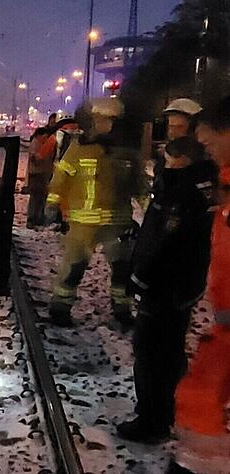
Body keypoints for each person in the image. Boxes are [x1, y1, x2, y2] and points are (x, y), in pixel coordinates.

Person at [115, 136, 218, 444]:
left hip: (163, 287)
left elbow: (162, 242)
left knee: (151, 353)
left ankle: (151, 421)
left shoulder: (179, 192)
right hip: (182, 287)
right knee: (169, 351)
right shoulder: (204, 189)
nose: (166, 165)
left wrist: (139, 278)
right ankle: (165, 411)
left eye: (171, 160)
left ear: (183, 161)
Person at [168, 97, 230, 473]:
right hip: (223, 331)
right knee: (198, 400)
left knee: (201, 400)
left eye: (209, 140)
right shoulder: (224, 186)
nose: (205, 147)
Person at [45, 98, 146, 327]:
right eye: (99, 120)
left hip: (117, 222)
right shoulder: (77, 148)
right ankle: (60, 308)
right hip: (83, 224)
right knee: (73, 268)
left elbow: (139, 186)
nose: (102, 124)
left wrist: (150, 210)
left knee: (121, 270)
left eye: (107, 120)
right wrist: (52, 203)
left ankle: (122, 309)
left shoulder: (127, 153)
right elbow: (61, 178)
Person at [26, 127, 50, 228]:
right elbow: (34, 159)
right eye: (44, 137)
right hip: (36, 174)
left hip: (40, 174)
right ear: (39, 135)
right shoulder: (35, 144)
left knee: (39, 198)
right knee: (36, 197)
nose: (46, 139)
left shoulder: (39, 143)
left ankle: (37, 218)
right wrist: (40, 157)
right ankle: (32, 219)